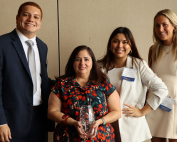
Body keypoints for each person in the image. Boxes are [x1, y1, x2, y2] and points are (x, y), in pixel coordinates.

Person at [98, 27, 168, 142]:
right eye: (116, 41)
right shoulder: (99, 67)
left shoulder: (138, 65)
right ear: (110, 45)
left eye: (125, 42)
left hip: (131, 126)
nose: (120, 45)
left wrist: (142, 111)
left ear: (131, 46)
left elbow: (162, 89)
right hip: (105, 125)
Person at [0, 2, 55, 142]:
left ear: (40, 23)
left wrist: (71, 81)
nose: (31, 19)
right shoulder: (2, 44)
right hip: (11, 123)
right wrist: (1, 122)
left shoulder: (43, 47)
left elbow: (39, 79)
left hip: (39, 120)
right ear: (17, 17)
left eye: (36, 17)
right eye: (26, 15)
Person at [48, 45, 121, 142]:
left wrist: (99, 122)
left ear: (92, 63)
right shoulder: (61, 84)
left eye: (86, 59)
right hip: (68, 137)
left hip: (101, 138)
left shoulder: (103, 83)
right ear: (72, 63)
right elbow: (52, 112)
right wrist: (73, 122)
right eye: (78, 59)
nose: (82, 63)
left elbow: (117, 112)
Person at [146, 9, 177, 142]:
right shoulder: (153, 50)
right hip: (156, 100)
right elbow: (149, 77)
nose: (160, 29)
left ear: (174, 26)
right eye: (157, 25)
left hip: (175, 102)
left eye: (164, 24)